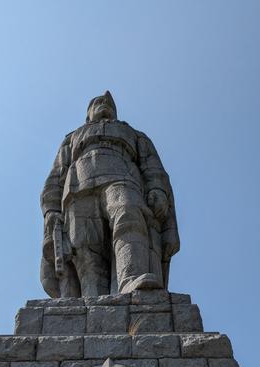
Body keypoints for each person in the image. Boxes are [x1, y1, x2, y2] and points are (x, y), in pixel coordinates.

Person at [40, 91, 180, 297]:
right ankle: (91, 297)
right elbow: (56, 175)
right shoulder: (72, 138)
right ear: (88, 114)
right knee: (84, 246)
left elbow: (152, 166)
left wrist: (157, 188)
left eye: (108, 103)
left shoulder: (134, 134)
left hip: (123, 178)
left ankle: (131, 278)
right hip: (77, 189)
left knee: (128, 214)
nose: (104, 103)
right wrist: (51, 209)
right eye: (98, 102)